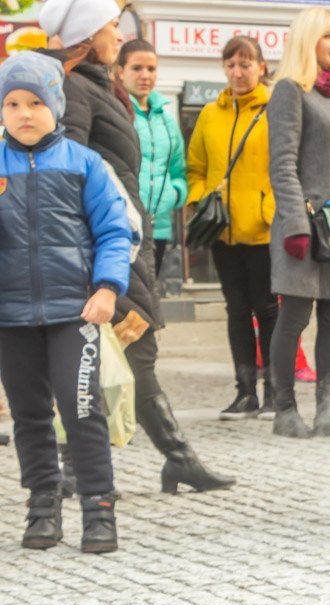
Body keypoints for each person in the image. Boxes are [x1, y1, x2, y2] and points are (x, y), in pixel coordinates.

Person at [39, 0, 236, 495]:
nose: (118, 35)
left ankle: (135, 461)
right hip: (107, 249)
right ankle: (166, 458)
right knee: (129, 348)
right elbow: (68, 171)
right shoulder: (75, 87)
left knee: (121, 351)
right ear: (88, 35)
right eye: (110, 27)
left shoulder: (99, 84)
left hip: (127, 242)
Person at [0, 52, 131, 553]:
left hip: (74, 313)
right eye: (12, 103)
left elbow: (115, 232)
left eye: (34, 102)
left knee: (81, 411)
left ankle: (99, 508)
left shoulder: (84, 163)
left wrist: (106, 289)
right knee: (29, 414)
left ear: (54, 104)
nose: (23, 113)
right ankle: (42, 506)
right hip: (11, 317)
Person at [267, 8, 330, 439]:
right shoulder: (290, 91)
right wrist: (294, 225)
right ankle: (284, 412)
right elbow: (282, 166)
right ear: (308, 39)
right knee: (293, 320)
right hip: (304, 228)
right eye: (328, 35)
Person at [186, 35, 279, 421]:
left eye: (246, 64)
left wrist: (270, 209)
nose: (238, 72)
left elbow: (286, 166)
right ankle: (245, 392)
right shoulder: (210, 114)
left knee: (269, 311)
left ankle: (276, 391)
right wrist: (201, 199)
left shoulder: (276, 110)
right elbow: (196, 167)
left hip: (264, 230)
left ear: (261, 67)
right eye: (231, 65)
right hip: (222, 231)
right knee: (237, 310)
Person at [114, 39, 186, 278]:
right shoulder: (114, 112)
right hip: (121, 225)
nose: (145, 75)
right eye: (137, 68)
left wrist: (174, 195)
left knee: (151, 296)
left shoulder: (166, 120)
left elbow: (178, 170)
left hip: (158, 227)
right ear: (120, 71)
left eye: (151, 69)